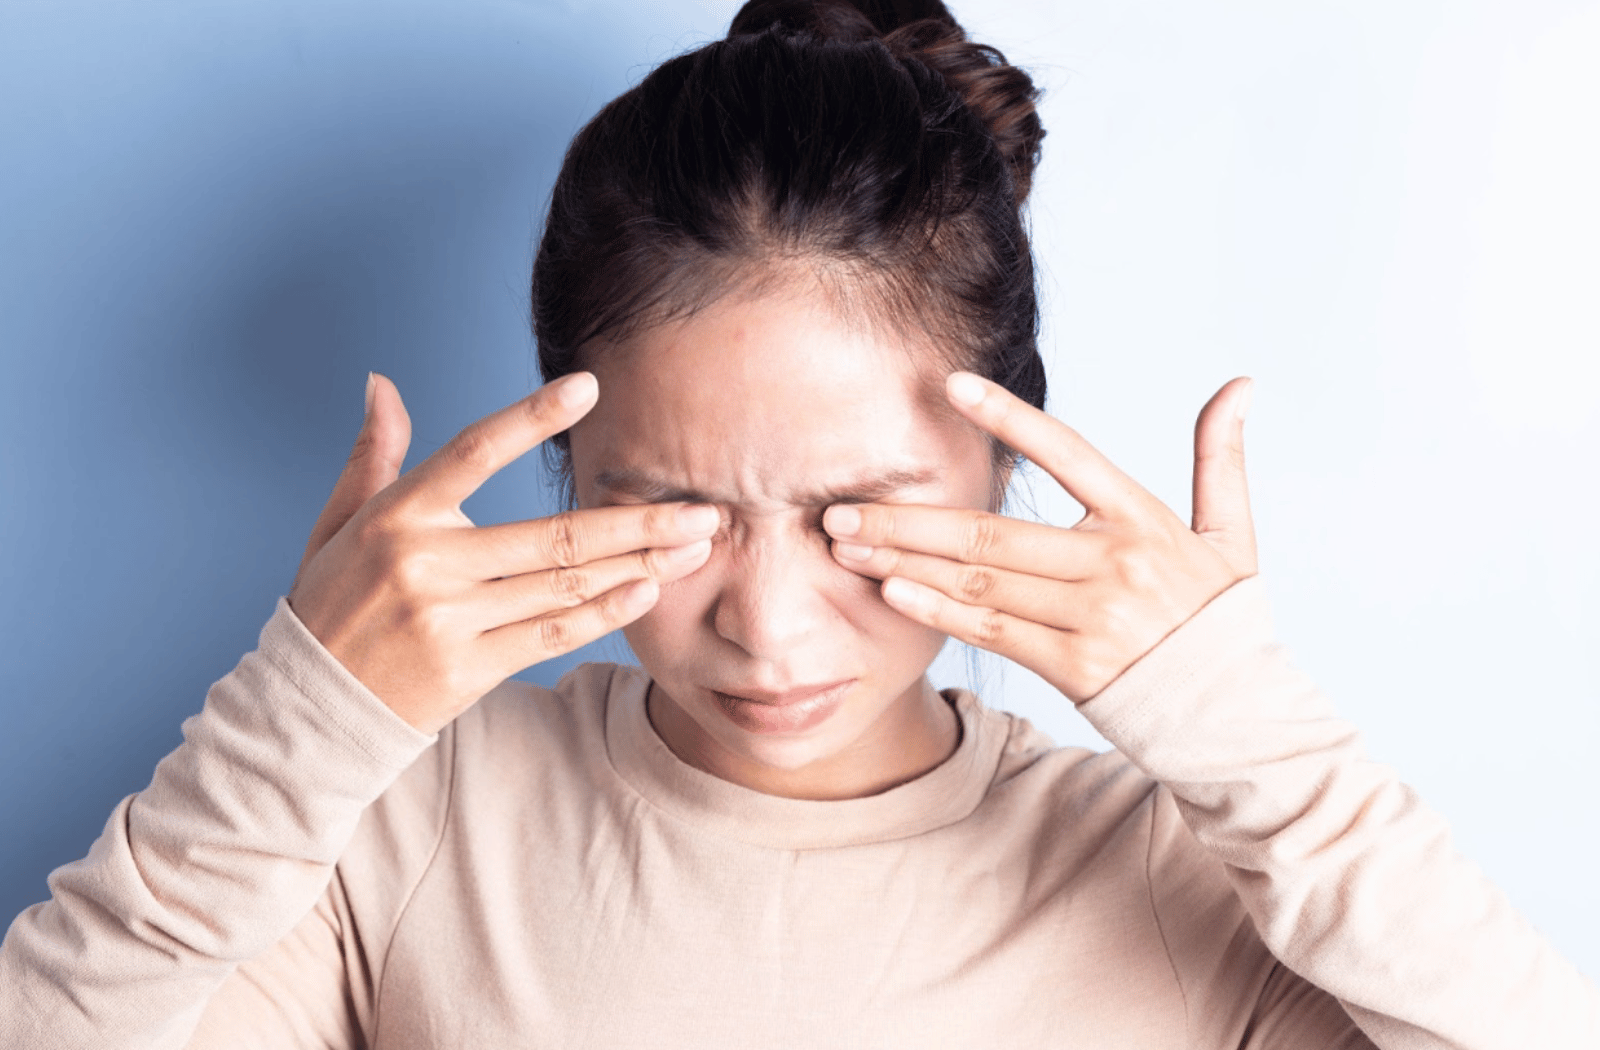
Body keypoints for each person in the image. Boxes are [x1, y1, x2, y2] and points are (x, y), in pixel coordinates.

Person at [1, 0, 1595, 1046]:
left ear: (1006, 463)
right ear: (568, 463)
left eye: (856, 515)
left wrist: (1251, 728)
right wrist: (302, 716)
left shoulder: (1173, 879)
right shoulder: (404, 829)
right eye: (669, 507)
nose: (765, 625)